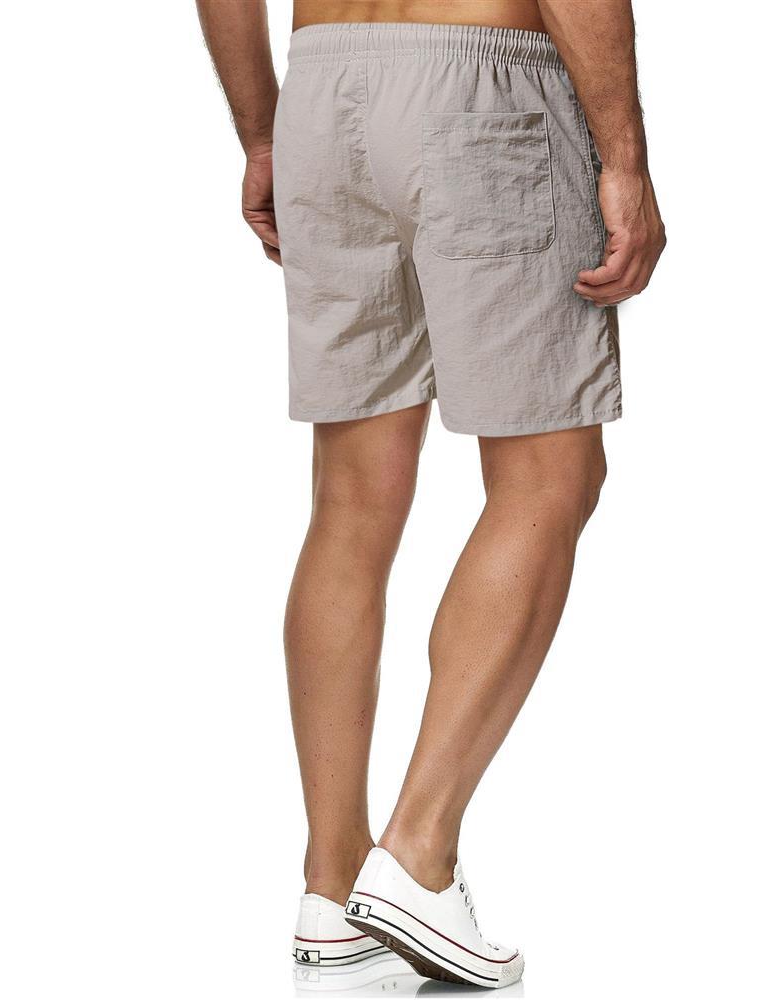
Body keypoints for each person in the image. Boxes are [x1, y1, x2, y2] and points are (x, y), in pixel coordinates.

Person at [196, 0, 665, 987]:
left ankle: (332, 888)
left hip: (323, 87)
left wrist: (263, 132)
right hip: (482, 81)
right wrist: (624, 156)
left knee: (350, 499)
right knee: (551, 476)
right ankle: (417, 853)